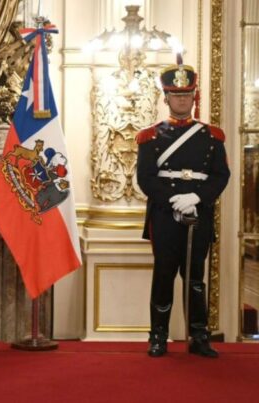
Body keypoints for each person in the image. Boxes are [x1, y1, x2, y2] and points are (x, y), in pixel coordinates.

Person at [136, 57, 230, 358]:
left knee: (195, 279)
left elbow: (221, 175)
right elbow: (146, 178)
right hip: (165, 216)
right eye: (176, 95)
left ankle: (199, 336)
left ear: (194, 96)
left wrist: (197, 199)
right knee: (163, 275)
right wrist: (173, 200)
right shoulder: (150, 137)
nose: (181, 100)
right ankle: (158, 337)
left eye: (187, 95)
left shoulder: (212, 137)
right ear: (166, 98)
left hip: (198, 215)